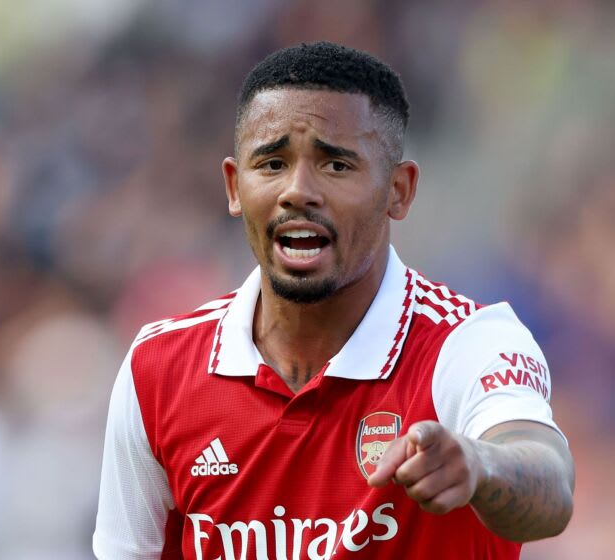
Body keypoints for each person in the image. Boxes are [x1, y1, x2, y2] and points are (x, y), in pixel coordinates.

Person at [93, 41, 574, 560]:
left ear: (399, 190)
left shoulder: (466, 344)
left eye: (336, 165)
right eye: (272, 163)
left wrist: (481, 464)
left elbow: (549, 484)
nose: (298, 191)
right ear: (234, 187)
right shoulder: (159, 367)